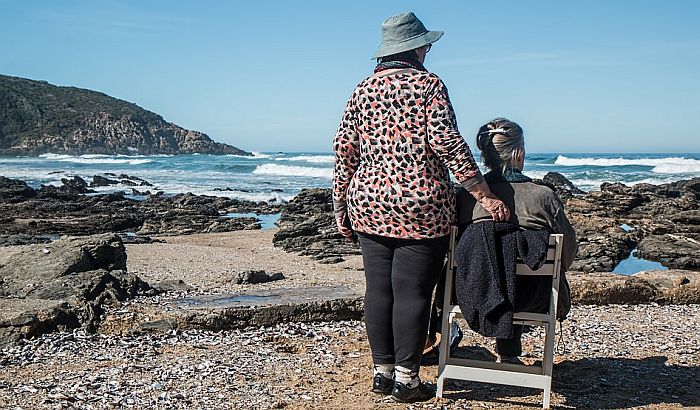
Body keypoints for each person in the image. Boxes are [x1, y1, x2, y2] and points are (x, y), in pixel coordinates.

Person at [332, 12, 510, 403]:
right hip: (422, 205)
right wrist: (483, 193)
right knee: (412, 292)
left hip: (369, 201)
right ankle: (406, 380)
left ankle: (381, 373)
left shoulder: (362, 89)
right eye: (426, 44)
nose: (428, 49)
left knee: (378, 290)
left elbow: (345, 150)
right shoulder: (428, 85)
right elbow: (447, 142)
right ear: (415, 47)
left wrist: (340, 205)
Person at [457, 117, 577, 364]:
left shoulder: (466, 197)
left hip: (470, 294)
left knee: (494, 264)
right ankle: (509, 353)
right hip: (534, 298)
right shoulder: (543, 196)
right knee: (521, 272)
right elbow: (567, 253)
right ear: (518, 152)